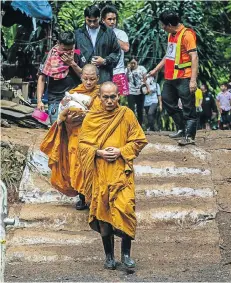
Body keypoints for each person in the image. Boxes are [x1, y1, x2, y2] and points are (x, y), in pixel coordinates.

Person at [78, 81, 148, 270]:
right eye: (105, 97)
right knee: (103, 215)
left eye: (113, 97)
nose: (109, 101)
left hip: (121, 172)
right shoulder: (92, 117)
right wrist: (99, 152)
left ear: (119, 96)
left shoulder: (126, 114)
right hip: (100, 172)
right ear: (99, 97)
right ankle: (109, 256)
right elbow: (82, 145)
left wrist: (120, 151)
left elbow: (139, 140)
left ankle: (126, 254)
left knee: (126, 208)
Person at [40, 64, 100, 210]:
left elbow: (104, 115)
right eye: (86, 78)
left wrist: (88, 116)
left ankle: (94, 198)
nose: (89, 82)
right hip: (74, 136)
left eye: (92, 79)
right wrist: (66, 115)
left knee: (92, 167)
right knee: (75, 165)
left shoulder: (101, 94)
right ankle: (82, 197)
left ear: (97, 79)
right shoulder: (73, 93)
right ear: (81, 77)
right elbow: (63, 112)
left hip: (93, 138)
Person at [148, 10, 198, 146]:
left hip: (185, 76)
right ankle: (182, 128)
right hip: (171, 77)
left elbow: (194, 57)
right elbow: (168, 55)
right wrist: (155, 70)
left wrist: (193, 80)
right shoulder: (171, 35)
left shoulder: (187, 35)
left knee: (188, 107)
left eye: (163, 25)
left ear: (169, 24)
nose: (162, 27)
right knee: (167, 99)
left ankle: (189, 135)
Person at [36, 31, 82, 124]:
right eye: (64, 49)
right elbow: (42, 78)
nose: (66, 52)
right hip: (55, 98)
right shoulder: (49, 56)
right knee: (56, 125)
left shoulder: (77, 54)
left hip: (74, 97)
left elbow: (85, 77)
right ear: (59, 43)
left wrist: (72, 64)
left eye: (69, 49)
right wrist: (39, 101)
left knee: (74, 126)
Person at [74, 5, 120, 84]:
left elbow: (116, 52)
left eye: (95, 21)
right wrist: (82, 57)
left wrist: (104, 61)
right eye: (89, 21)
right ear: (85, 18)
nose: (92, 24)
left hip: (104, 76)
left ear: (99, 18)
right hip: (84, 78)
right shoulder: (78, 33)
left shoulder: (108, 32)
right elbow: (75, 51)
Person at [101, 5, 130, 97]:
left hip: (118, 73)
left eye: (114, 19)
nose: (112, 22)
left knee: (121, 102)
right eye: (109, 19)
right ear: (103, 20)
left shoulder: (121, 33)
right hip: (102, 73)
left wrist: (112, 36)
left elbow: (126, 48)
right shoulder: (98, 33)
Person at [127, 57, 147, 126]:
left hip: (140, 91)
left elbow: (145, 79)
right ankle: (131, 125)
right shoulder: (127, 70)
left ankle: (140, 126)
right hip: (131, 91)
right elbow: (126, 79)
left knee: (140, 109)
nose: (133, 64)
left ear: (137, 62)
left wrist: (146, 87)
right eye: (131, 63)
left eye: (134, 63)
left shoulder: (142, 68)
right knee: (131, 109)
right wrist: (128, 70)